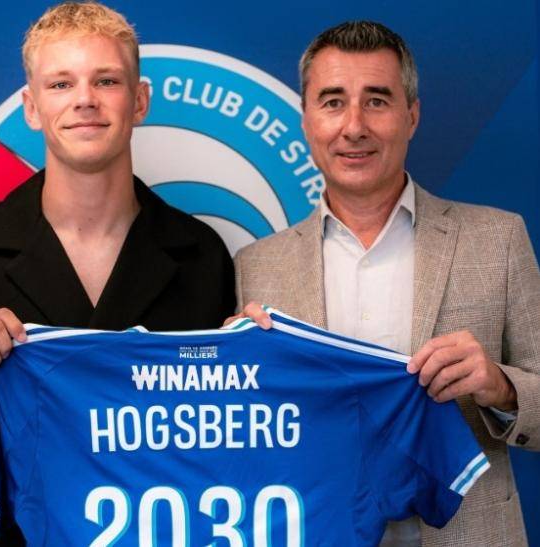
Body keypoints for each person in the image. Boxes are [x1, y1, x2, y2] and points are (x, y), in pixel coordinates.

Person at [0, 2, 235, 545]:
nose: (85, 99)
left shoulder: (202, 255)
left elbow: (229, 435)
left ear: (140, 100)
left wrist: (254, 360)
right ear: (31, 106)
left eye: (107, 80)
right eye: (61, 84)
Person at [231, 21, 540, 547]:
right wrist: (233, 374)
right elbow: (250, 438)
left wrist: (500, 387)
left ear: (411, 116)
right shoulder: (257, 266)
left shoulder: (498, 240)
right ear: (306, 119)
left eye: (377, 101)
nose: (354, 126)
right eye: (333, 102)